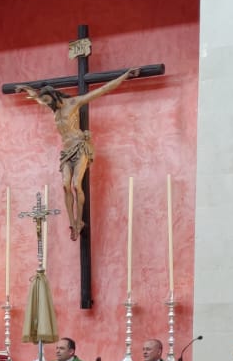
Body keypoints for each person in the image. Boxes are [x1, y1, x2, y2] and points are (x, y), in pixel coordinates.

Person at [18, 67, 142, 242]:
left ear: (54, 96)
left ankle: (79, 220)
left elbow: (102, 90)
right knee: (65, 186)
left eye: (49, 101)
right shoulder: (52, 107)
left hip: (80, 146)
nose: (48, 105)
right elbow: (37, 98)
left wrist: (125, 75)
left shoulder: (73, 103)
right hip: (66, 151)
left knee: (76, 185)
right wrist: (23, 88)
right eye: (46, 102)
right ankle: (72, 223)